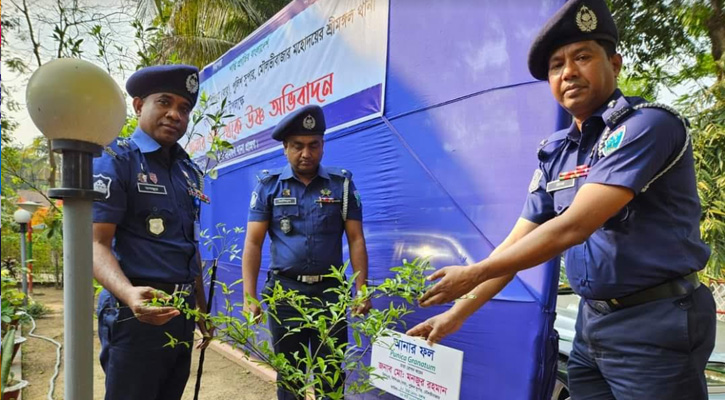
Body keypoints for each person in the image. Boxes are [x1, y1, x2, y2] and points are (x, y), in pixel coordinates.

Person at [408, 1, 715, 399]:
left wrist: (473, 272)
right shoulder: (557, 152)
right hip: (592, 324)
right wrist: (457, 313)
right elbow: (517, 244)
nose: (568, 72)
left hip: (654, 324)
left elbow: (574, 225)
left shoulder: (647, 126)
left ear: (615, 63)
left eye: (582, 56)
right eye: (556, 65)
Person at [93, 64, 213, 400]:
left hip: (181, 311)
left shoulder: (187, 171)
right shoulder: (117, 158)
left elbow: (188, 245)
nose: (175, 114)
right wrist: (129, 295)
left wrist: (200, 309)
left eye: (184, 108)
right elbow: (94, 244)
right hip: (136, 314)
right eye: (165, 102)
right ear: (138, 105)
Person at [241, 104, 371, 400]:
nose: (306, 153)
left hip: (331, 293)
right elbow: (253, 243)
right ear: (285, 148)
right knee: (290, 377)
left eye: (313, 145)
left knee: (330, 375)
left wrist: (362, 289)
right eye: (297, 146)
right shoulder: (268, 187)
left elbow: (356, 239)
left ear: (323, 146)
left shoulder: (342, 185)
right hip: (285, 295)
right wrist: (250, 297)